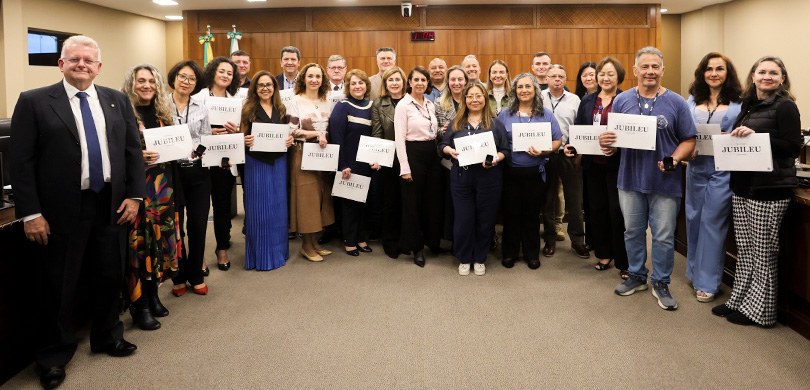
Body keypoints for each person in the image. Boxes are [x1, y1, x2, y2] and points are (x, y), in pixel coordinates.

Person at [10, 35, 144, 389]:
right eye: (74, 59)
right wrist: (30, 213)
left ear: (99, 66)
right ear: (61, 64)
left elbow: (132, 151)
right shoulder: (35, 102)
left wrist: (135, 197)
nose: (81, 64)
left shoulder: (116, 100)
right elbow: (21, 163)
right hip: (60, 209)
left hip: (111, 203)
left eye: (88, 60)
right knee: (59, 282)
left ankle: (108, 336)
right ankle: (53, 355)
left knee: (109, 273)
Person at [603, 47, 697, 311]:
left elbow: (689, 139)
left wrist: (674, 159)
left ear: (662, 70)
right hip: (629, 180)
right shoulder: (622, 101)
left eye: (655, 66)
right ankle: (636, 275)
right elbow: (614, 140)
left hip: (664, 182)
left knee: (663, 236)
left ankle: (661, 282)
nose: (650, 71)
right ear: (635, 70)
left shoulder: (677, 102)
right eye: (644, 66)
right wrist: (608, 144)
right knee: (632, 231)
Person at [712, 56, 802, 327]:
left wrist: (758, 137)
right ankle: (740, 299)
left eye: (773, 72)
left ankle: (761, 312)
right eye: (762, 71)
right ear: (753, 76)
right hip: (743, 186)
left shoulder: (785, 106)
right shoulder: (748, 104)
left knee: (763, 253)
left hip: (770, 190)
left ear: (782, 78)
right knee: (746, 249)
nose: (767, 76)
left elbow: (792, 147)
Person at [121, 64, 179, 331]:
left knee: (160, 244)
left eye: (151, 81)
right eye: (140, 81)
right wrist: (137, 156)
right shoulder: (123, 114)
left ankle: (154, 293)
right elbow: (114, 151)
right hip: (138, 190)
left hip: (163, 190)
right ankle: (139, 304)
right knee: (141, 247)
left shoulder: (163, 115)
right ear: (131, 84)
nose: (146, 86)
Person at [684, 52, 742, 302]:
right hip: (696, 167)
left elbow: (749, 133)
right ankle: (694, 272)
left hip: (723, 170)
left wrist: (734, 136)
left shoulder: (739, 103)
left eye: (720, 69)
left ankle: (708, 282)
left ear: (728, 73)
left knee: (713, 221)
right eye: (709, 69)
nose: (714, 73)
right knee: (694, 219)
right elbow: (683, 130)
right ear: (702, 73)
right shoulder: (691, 100)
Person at [440, 82, 510, 276]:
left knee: (485, 219)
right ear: (465, 100)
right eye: (470, 96)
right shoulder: (456, 123)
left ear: (485, 98)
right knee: (464, 219)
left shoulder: (495, 123)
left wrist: (497, 158)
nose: (474, 100)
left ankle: (480, 256)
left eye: (478, 96)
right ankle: (464, 257)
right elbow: (443, 145)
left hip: (489, 178)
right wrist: (449, 150)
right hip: (462, 178)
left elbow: (505, 150)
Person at [498, 73, 563, 269]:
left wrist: (545, 150)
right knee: (511, 213)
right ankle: (509, 253)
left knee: (531, 214)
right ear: (514, 91)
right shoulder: (505, 114)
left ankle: (531, 253)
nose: (524, 90)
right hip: (510, 172)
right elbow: (498, 141)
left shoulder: (546, 114)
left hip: (535, 173)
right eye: (520, 87)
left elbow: (557, 140)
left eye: (528, 86)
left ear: (535, 90)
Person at [573, 57, 629, 276]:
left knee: (618, 211)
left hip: (618, 165)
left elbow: (631, 133)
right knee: (597, 210)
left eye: (610, 74)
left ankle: (624, 261)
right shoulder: (588, 100)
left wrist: (617, 147)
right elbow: (579, 128)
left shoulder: (626, 99)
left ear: (619, 76)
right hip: (593, 165)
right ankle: (604, 253)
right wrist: (572, 147)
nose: (605, 78)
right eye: (602, 74)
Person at [241, 71, 294, 270]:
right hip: (256, 163)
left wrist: (289, 140)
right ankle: (261, 257)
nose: (265, 88)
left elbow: (286, 134)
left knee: (278, 208)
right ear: (255, 88)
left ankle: (279, 252)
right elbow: (240, 137)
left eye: (269, 85)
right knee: (260, 210)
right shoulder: (248, 109)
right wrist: (244, 140)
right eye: (261, 85)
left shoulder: (281, 108)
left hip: (279, 163)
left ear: (274, 88)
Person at [166, 60, 211, 297]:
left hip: (197, 171)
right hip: (171, 172)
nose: (186, 82)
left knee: (197, 224)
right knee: (176, 225)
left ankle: (196, 275)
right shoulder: (161, 105)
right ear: (174, 78)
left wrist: (198, 151)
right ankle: (178, 275)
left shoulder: (201, 107)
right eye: (182, 77)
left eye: (192, 79)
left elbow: (206, 136)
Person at [195, 57, 241, 272]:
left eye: (229, 73)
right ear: (213, 72)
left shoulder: (235, 100)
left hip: (225, 161)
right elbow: (189, 128)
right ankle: (199, 256)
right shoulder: (199, 97)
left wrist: (236, 130)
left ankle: (221, 249)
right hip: (202, 160)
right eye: (222, 71)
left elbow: (242, 131)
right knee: (200, 210)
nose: (225, 75)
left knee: (222, 208)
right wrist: (208, 132)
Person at [394, 66, 443, 267]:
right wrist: (404, 167)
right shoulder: (403, 106)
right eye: (416, 80)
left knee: (432, 201)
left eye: (423, 80)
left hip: (432, 154)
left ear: (427, 83)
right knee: (413, 204)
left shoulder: (430, 104)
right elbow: (399, 139)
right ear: (410, 82)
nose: (420, 83)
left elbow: (433, 131)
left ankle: (432, 241)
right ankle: (416, 247)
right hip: (412, 154)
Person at [288, 63, 336, 261]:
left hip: (323, 156)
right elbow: (291, 131)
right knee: (307, 200)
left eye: (318, 76)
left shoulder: (327, 101)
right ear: (303, 78)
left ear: (323, 80)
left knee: (321, 199)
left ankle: (315, 242)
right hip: (303, 155)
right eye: (310, 76)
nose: (314, 80)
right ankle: (306, 246)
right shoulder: (295, 101)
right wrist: (316, 134)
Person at [330, 69, 380, 255]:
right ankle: (349, 240)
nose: (357, 86)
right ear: (348, 87)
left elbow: (377, 135)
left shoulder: (372, 106)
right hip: (349, 164)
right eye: (353, 83)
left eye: (361, 83)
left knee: (365, 204)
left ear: (367, 86)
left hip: (367, 164)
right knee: (349, 205)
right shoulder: (342, 106)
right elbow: (337, 137)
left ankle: (361, 238)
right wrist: (343, 164)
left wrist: (377, 159)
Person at [541, 64, 588, 259]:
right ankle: (550, 239)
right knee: (548, 199)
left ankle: (577, 241)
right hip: (545, 153)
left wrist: (575, 147)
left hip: (567, 153)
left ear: (565, 79)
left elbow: (580, 127)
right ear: (546, 78)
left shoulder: (574, 100)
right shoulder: (539, 97)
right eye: (553, 76)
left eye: (561, 76)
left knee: (574, 199)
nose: (557, 79)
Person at [372, 66, 407, 259]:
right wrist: (377, 158)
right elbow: (377, 133)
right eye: (390, 80)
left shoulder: (411, 101)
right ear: (385, 83)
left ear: (403, 82)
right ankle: (390, 241)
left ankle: (405, 240)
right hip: (389, 159)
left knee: (407, 201)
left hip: (410, 158)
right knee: (390, 202)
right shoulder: (378, 104)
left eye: (397, 79)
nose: (394, 83)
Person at [434, 66, 468, 245]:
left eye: (460, 79)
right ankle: (452, 238)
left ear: (466, 81)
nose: (456, 83)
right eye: (453, 79)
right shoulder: (439, 103)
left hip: (470, 156)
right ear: (448, 82)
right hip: (449, 159)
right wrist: (443, 130)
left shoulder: (473, 99)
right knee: (450, 201)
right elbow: (435, 130)